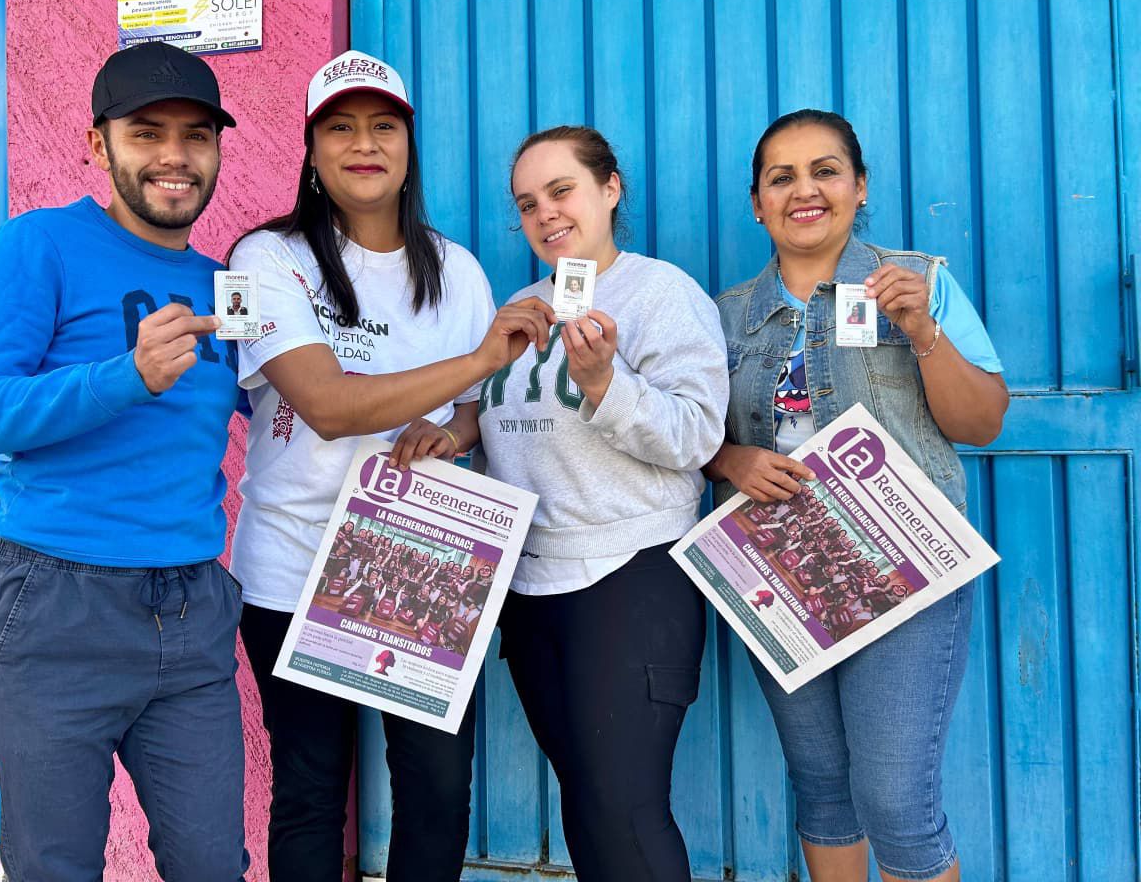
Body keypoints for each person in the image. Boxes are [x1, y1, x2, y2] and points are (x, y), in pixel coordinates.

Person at [228, 50, 554, 882]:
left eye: (383, 126)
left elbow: (476, 408)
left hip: (421, 561)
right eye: (340, 127)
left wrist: (453, 432)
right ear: (311, 149)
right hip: (293, 570)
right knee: (309, 794)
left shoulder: (456, 269)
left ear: (409, 145)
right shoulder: (267, 258)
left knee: (437, 791)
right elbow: (329, 405)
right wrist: (477, 362)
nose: (364, 144)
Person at [0, 41, 248, 881]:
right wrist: (125, 376)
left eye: (196, 135)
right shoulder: (37, 246)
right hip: (54, 608)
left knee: (213, 864)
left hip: (191, 608)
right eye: (147, 132)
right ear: (97, 145)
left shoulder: (226, 285)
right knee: (57, 867)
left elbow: (295, 406)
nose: (175, 156)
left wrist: (449, 406)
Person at [393, 125, 729, 882]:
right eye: (526, 203)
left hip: (628, 575)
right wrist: (453, 433)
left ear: (610, 189)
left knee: (624, 813)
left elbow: (697, 435)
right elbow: (502, 415)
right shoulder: (521, 306)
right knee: (587, 803)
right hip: (529, 586)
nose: (544, 212)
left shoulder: (661, 294)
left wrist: (607, 383)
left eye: (561, 190)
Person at [706, 109, 1008, 882]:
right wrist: (732, 460)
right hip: (781, 572)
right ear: (757, 203)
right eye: (781, 178)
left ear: (860, 186)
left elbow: (982, 422)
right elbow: (693, 439)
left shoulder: (916, 282)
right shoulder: (728, 315)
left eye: (826, 171)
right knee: (823, 789)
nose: (804, 191)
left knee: (897, 801)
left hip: (906, 571)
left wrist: (922, 331)